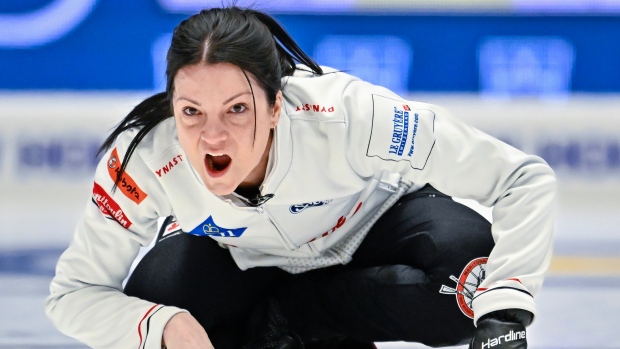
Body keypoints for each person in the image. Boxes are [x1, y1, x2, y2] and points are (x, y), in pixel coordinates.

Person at [45, 6, 557, 349]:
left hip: (374, 226)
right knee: (156, 303)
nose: (212, 137)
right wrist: (160, 325)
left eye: (237, 109)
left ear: (275, 106)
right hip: (237, 259)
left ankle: (295, 320)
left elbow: (523, 179)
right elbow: (72, 294)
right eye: (191, 112)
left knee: (468, 278)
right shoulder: (145, 157)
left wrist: (506, 315)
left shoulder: (350, 113)